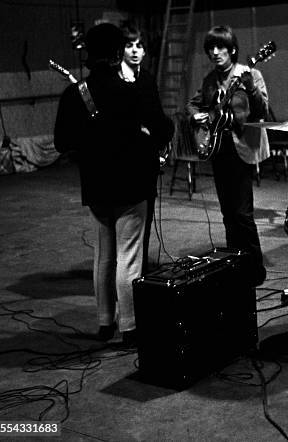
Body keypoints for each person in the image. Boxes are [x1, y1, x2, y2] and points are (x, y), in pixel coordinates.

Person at [54, 23, 174, 345]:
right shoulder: (131, 91)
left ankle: (105, 322)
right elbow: (163, 129)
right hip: (131, 184)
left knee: (103, 256)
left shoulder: (75, 93)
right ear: (118, 53)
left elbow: (62, 142)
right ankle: (130, 327)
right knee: (129, 256)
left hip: (95, 185)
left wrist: (90, 142)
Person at [186, 25, 268, 286]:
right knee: (227, 214)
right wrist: (195, 114)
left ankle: (255, 269)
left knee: (242, 214)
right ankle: (235, 264)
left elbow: (262, 109)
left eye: (220, 47)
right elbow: (194, 103)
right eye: (211, 48)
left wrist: (251, 87)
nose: (215, 52)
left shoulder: (250, 73)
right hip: (219, 150)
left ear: (232, 49)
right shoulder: (210, 80)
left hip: (242, 148)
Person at [119, 24, 169, 274]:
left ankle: (141, 274)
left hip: (147, 156)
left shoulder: (146, 78)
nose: (135, 50)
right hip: (127, 160)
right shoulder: (118, 80)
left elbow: (156, 116)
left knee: (146, 217)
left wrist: (159, 141)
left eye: (139, 46)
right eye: (129, 45)